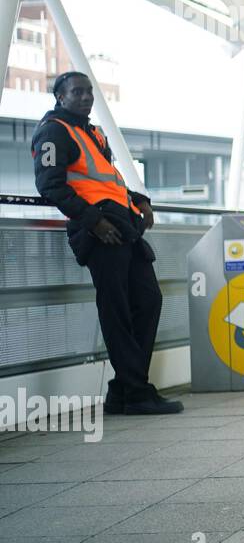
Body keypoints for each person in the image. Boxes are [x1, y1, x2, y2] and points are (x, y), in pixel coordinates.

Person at [30, 71, 182, 415]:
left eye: (89, 91)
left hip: (122, 225)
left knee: (147, 300)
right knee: (116, 309)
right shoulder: (54, 130)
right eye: (77, 92)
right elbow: (50, 185)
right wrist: (93, 222)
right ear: (60, 97)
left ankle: (123, 390)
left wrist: (138, 199)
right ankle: (137, 392)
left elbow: (106, 181)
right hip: (100, 230)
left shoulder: (92, 132)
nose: (85, 97)